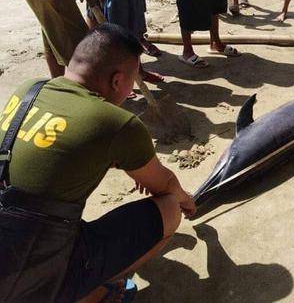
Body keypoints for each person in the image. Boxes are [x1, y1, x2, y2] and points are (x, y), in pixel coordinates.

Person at [0, 23, 196, 302]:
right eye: (132, 79)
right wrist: (186, 200)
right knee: (169, 210)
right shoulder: (117, 123)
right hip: (21, 280)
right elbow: (165, 184)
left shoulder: (30, 89)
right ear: (117, 81)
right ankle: (89, 295)